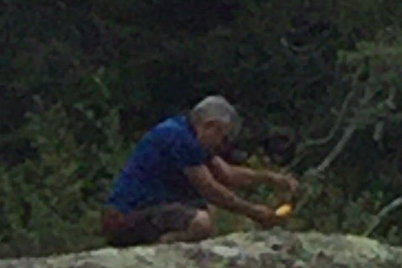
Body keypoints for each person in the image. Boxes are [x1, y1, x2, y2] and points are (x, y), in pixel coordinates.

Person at [101, 95, 299, 247]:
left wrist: (273, 179)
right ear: (210, 126)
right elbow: (209, 188)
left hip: (148, 210)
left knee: (203, 210)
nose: (222, 143)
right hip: (126, 216)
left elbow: (228, 174)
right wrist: (254, 212)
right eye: (222, 136)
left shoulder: (187, 133)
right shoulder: (179, 138)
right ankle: (157, 254)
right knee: (199, 222)